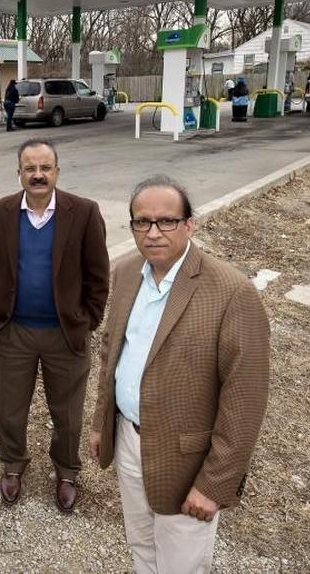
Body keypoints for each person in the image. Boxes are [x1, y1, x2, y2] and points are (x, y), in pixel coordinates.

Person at [89, 175, 270, 574]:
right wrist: (103, 422)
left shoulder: (230, 292)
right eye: (142, 222)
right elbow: (111, 354)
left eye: (166, 221)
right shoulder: (125, 273)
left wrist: (214, 484)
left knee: (181, 563)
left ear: (190, 224)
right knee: (141, 544)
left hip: (186, 460)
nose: (153, 233)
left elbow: (245, 397)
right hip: (128, 441)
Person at [0, 138, 109, 512]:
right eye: (29, 168)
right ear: (19, 173)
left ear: (56, 172)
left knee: (67, 412)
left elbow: (99, 277)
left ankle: (66, 471)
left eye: (45, 167)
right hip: (13, 332)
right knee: (9, 408)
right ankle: (13, 465)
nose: (37, 175)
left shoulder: (82, 212)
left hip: (65, 334)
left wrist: (86, 321)